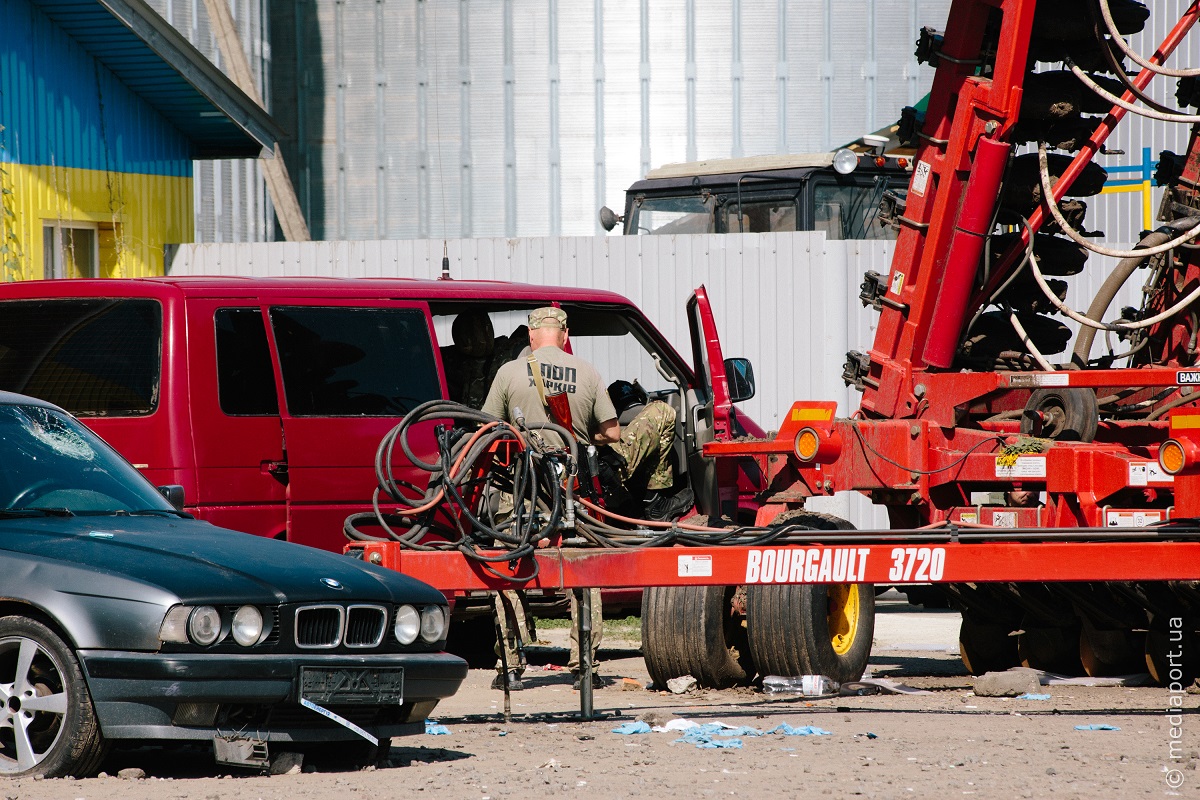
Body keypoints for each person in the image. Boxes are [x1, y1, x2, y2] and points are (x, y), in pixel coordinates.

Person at [481, 306, 691, 689]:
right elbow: (612, 434)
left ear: (531, 336)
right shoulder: (588, 372)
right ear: (563, 335)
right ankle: (585, 668)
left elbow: (489, 431)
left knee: (507, 570)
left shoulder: (509, 372)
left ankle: (510, 667)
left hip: (520, 493)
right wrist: (576, 438)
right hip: (571, 492)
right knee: (584, 570)